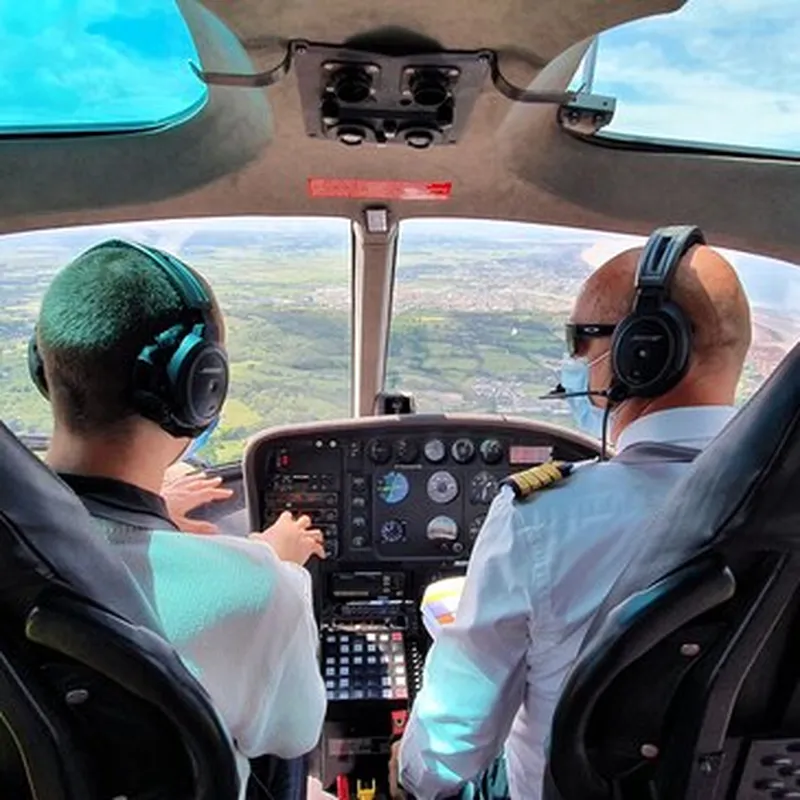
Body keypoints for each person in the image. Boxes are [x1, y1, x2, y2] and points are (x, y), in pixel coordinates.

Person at [393, 230, 752, 799]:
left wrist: (407, 772)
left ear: (644, 350)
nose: (573, 362)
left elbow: (455, 743)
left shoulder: (542, 518)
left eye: (581, 340)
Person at [32, 239, 328, 798]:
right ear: (198, 387)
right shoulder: (258, 587)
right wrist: (272, 559)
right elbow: (296, 732)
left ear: (43, 372)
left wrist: (151, 513)